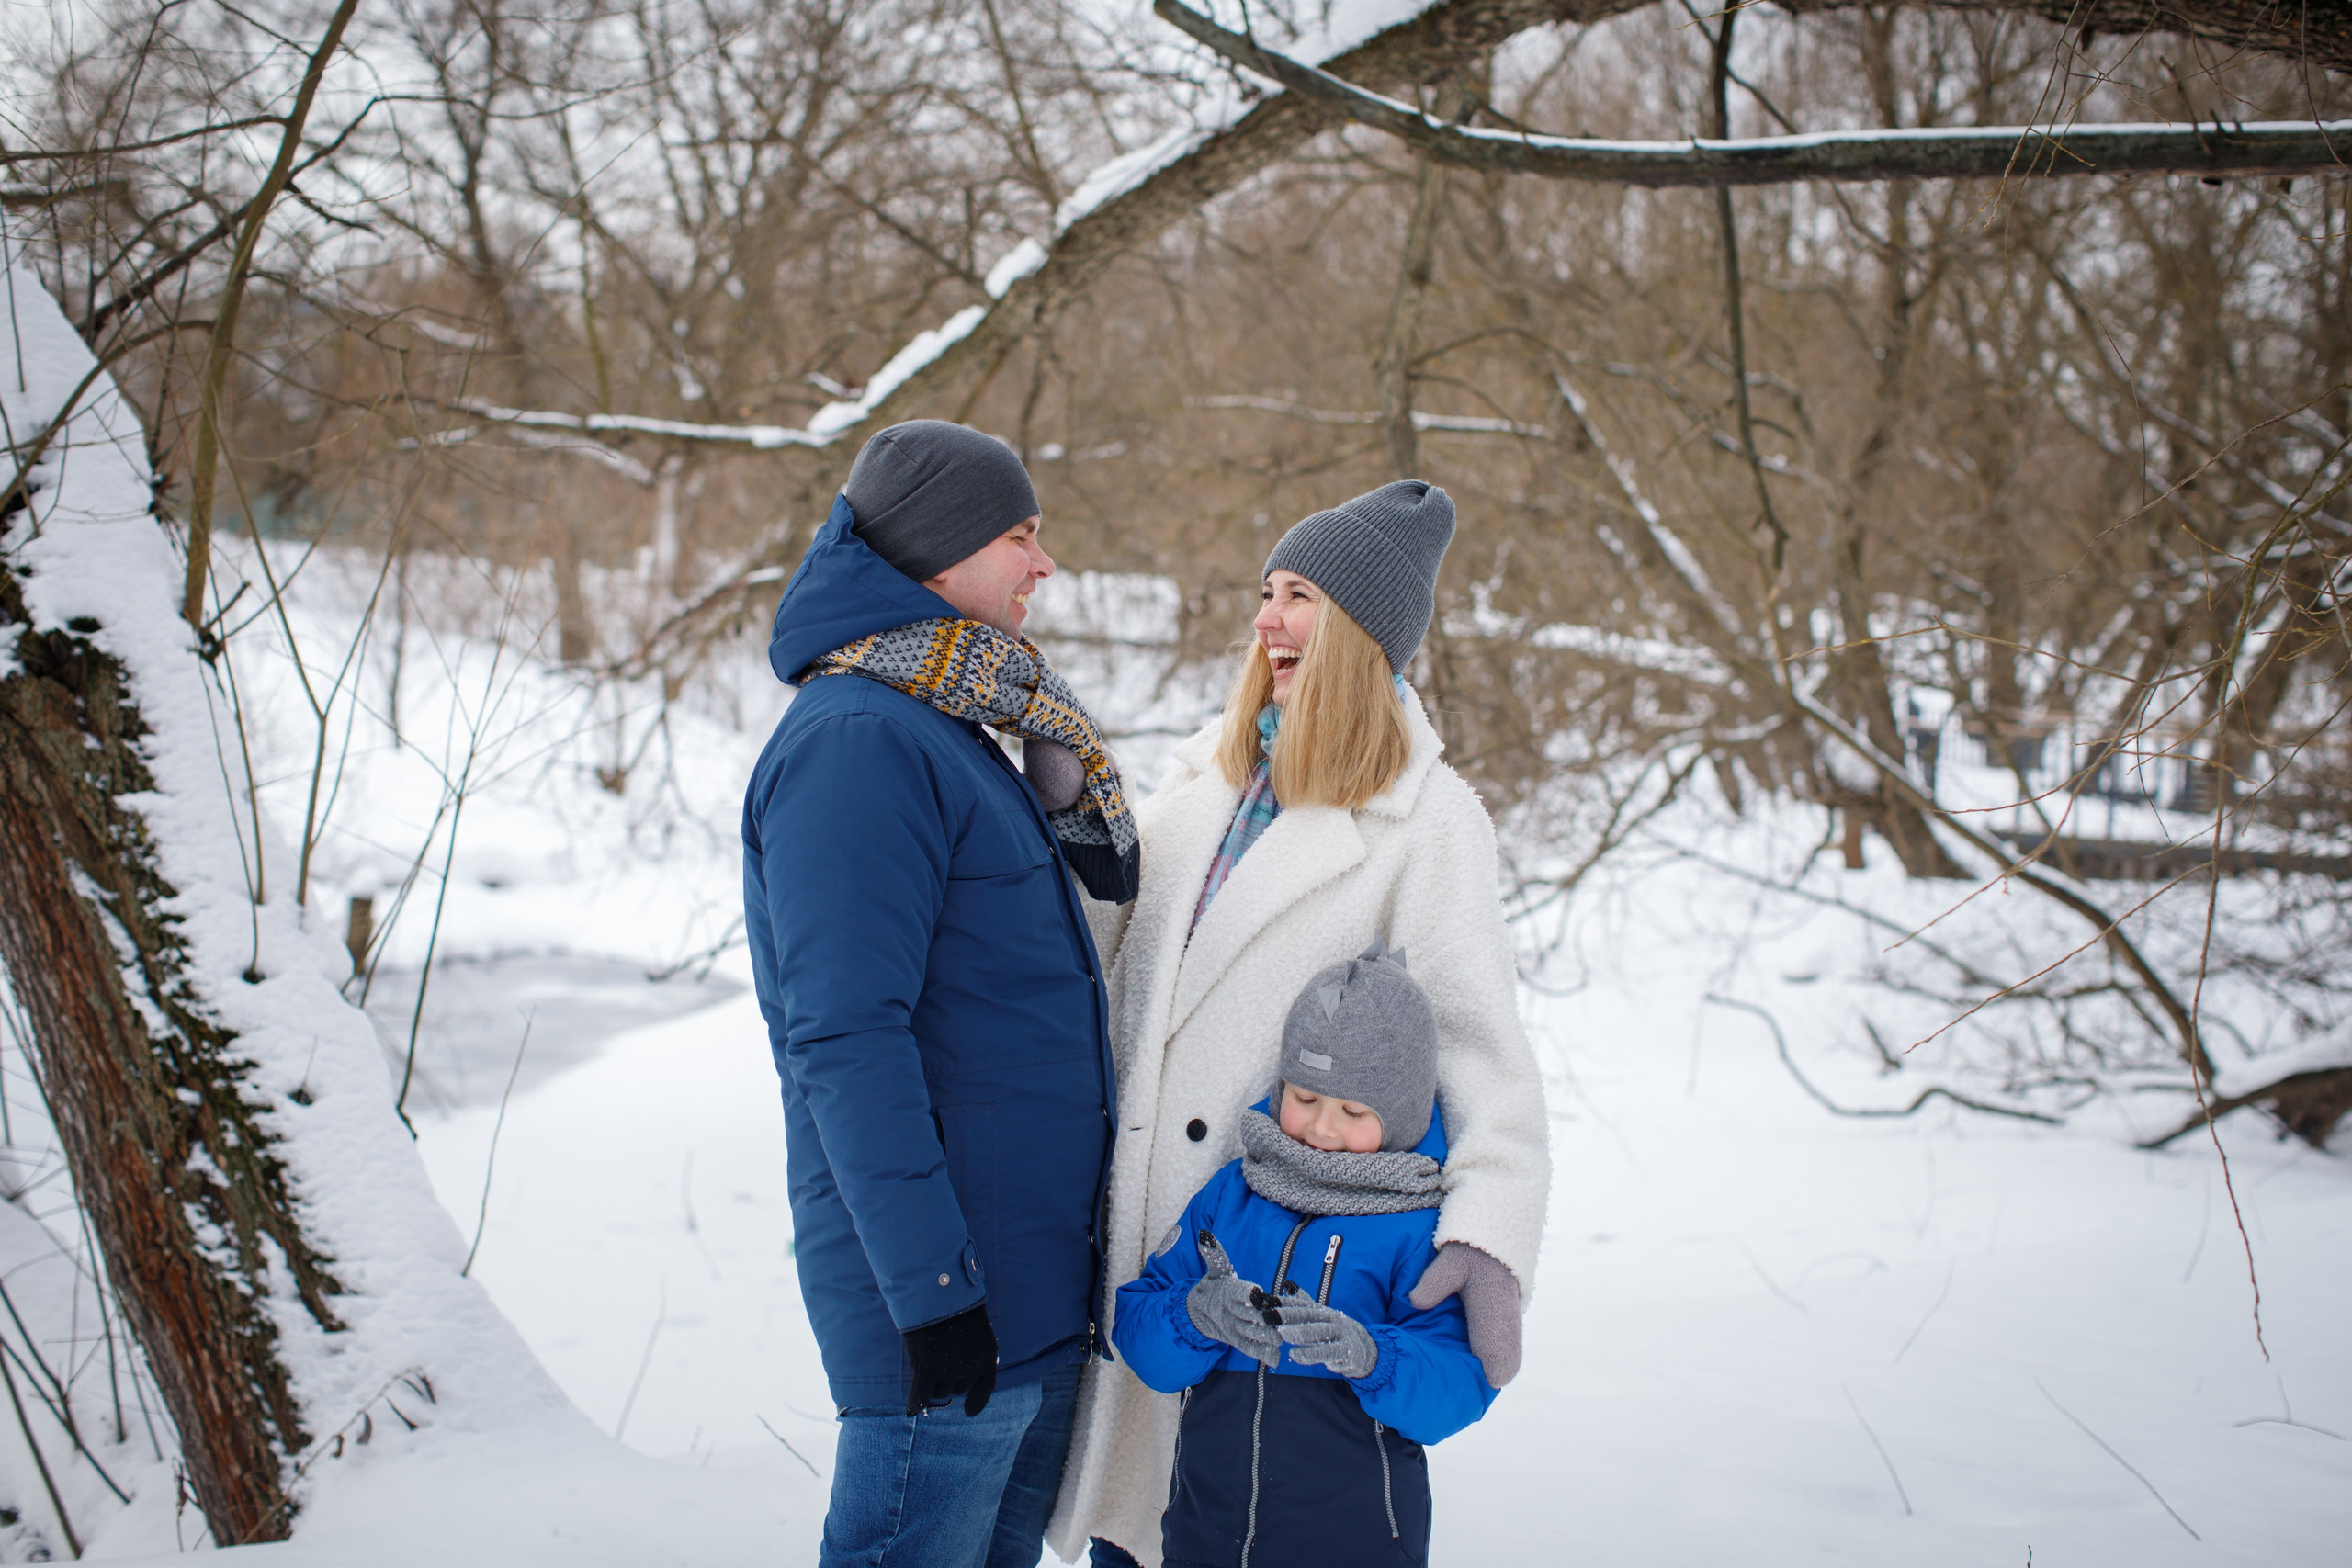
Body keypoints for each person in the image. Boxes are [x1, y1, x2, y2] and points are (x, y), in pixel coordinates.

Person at [1049, 479, 1550, 1567]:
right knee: (1134, 1532)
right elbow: (1106, 962)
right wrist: (1058, 825)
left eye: (1300, 597)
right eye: (1266, 593)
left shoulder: (1426, 825)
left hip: (1283, 1269)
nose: (1266, 620)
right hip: (1159, 1263)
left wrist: (1488, 1236)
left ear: (1363, 630)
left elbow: (1477, 1049)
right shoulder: (1205, 782)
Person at [743, 420, 1134, 1568]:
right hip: (951, 1306)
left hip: (1027, 1292)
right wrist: (933, 1293)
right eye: (1021, 535)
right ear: (942, 549)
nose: (1042, 564)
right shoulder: (861, 740)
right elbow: (846, 1039)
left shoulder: (954, 726)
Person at [1112, 942, 1498, 1568]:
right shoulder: (1231, 1193)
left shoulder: (1416, 1228)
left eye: (1353, 1111)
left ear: (1401, 1113)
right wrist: (1196, 1313)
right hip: (1204, 1543)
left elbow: (1460, 1386)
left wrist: (1375, 1357)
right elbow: (1139, 1331)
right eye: (1305, 1097)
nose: (1321, 1128)